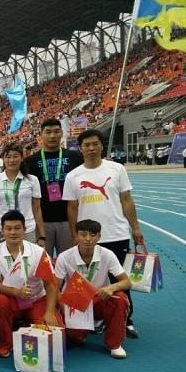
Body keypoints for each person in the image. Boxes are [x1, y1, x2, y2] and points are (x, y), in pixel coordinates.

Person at [63, 129, 143, 338]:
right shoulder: (73, 176)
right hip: (87, 238)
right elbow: (72, 207)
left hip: (116, 233)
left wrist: (135, 227)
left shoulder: (117, 169)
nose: (91, 148)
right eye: (87, 145)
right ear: (80, 148)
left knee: (119, 280)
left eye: (95, 144)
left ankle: (126, 319)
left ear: (101, 146)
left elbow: (126, 199)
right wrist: (74, 234)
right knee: (89, 280)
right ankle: (96, 316)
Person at [0, 210, 63, 358]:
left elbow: (51, 284)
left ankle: (29, 324)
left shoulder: (39, 252)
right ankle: (5, 343)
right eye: (8, 228)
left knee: (54, 339)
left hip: (36, 300)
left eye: (17, 228)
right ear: (2, 230)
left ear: (25, 229)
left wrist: (49, 312)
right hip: (11, 300)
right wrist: (16, 292)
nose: (13, 232)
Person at [54, 219, 131, 359]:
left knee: (120, 299)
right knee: (76, 338)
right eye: (83, 235)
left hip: (99, 298)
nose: (88, 239)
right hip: (75, 302)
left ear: (99, 237)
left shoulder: (107, 254)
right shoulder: (65, 257)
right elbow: (54, 287)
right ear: (76, 236)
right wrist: (62, 307)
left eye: (92, 235)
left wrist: (112, 287)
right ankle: (84, 328)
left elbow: (127, 282)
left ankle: (114, 344)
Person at [23, 118, 83, 257]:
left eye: (56, 131)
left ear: (62, 133)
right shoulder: (29, 162)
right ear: (40, 134)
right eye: (48, 132)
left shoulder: (75, 158)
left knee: (69, 261)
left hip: (68, 220)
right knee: (43, 262)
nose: (52, 136)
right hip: (42, 222)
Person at [0, 142, 46, 248]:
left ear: (22, 158)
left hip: (27, 229)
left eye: (15, 156)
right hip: (2, 230)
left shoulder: (32, 180)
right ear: (3, 159)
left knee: (27, 258)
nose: (12, 160)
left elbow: (37, 209)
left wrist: (42, 235)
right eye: (8, 157)